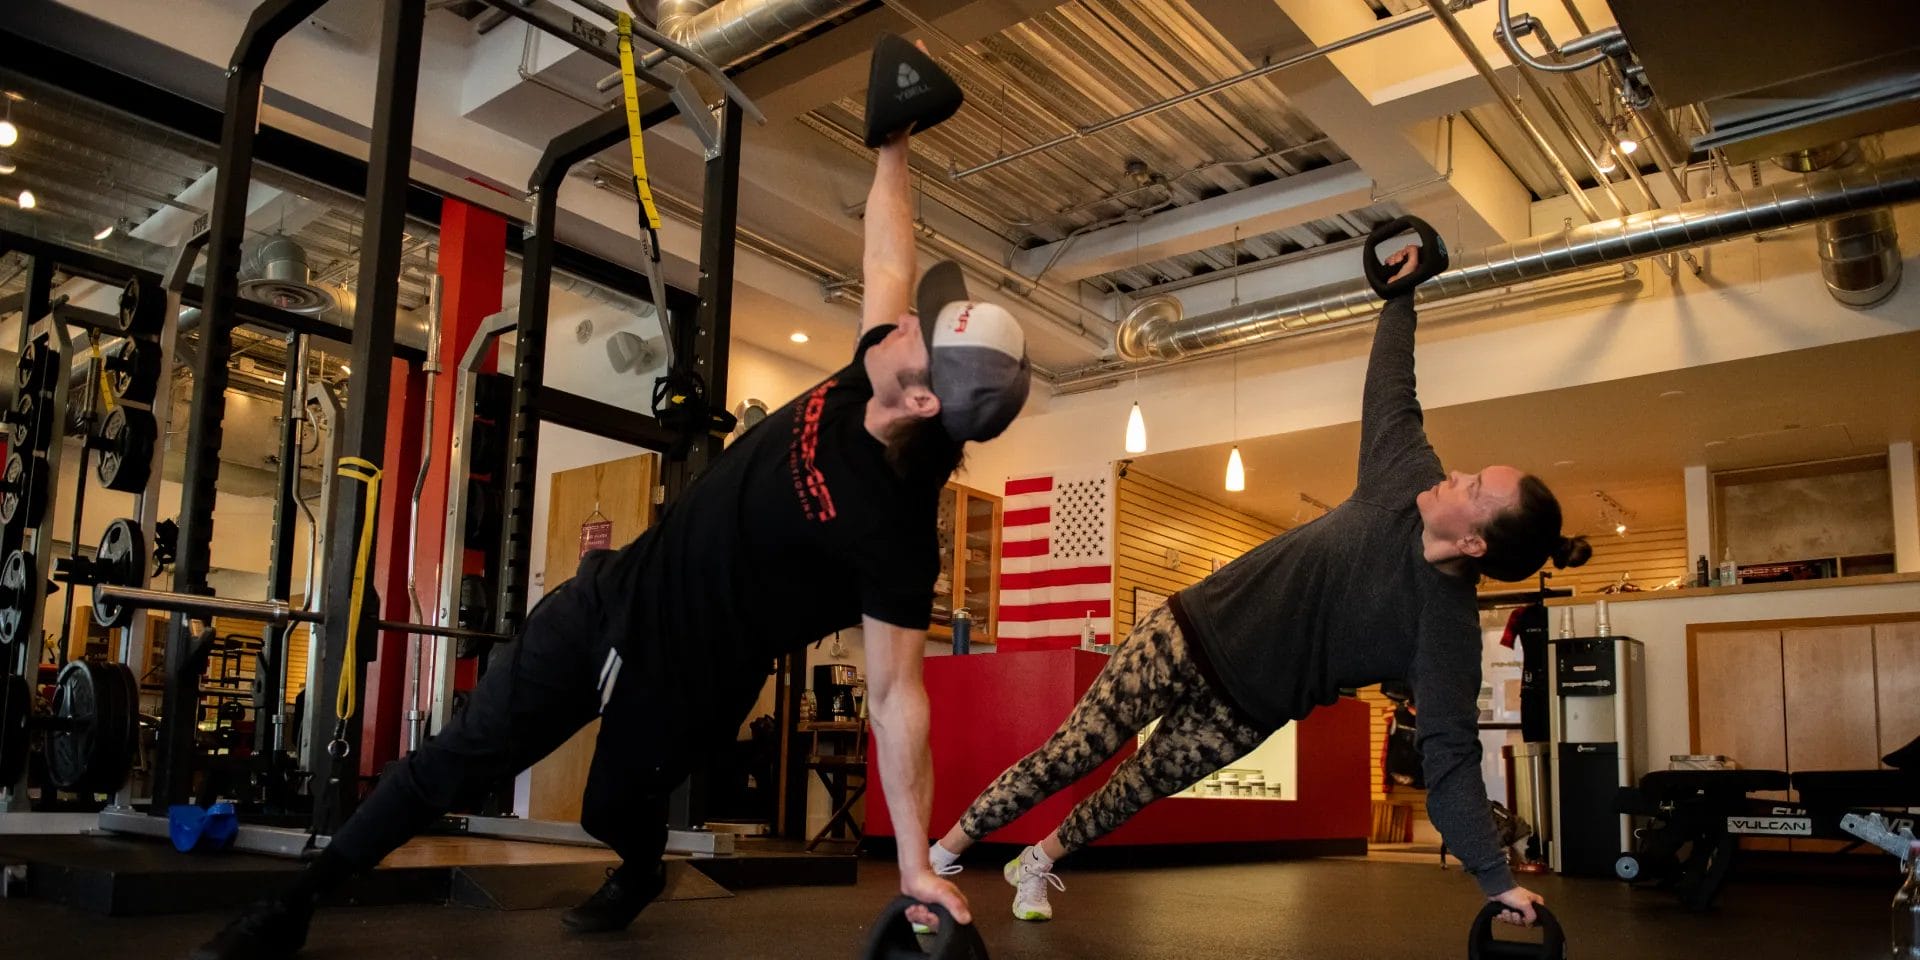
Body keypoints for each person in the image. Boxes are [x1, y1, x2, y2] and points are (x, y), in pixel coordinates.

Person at [193, 50, 1026, 959]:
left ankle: (638, 866)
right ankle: (294, 905)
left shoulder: (895, 533)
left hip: (685, 686)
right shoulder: (876, 364)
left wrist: (913, 865)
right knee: (455, 758)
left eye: (920, 334)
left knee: (609, 809)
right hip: (606, 598)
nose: (903, 319)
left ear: (924, 400)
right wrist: (893, 146)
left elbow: (899, 701)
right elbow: (888, 257)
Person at [922, 245, 1589, 928]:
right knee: (1075, 752)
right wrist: (1400, 294)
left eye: (1475, 489)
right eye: (1473, 472)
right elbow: (1394, 389)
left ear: (1476, 543)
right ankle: (938, 862)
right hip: (1187, 633)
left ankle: (1036, 862)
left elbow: (1450, 759)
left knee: (1131, 793)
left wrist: (1495, 880)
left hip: (1242, 714)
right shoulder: (1404, 477)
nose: (1458, 475)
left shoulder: (1445, 634)